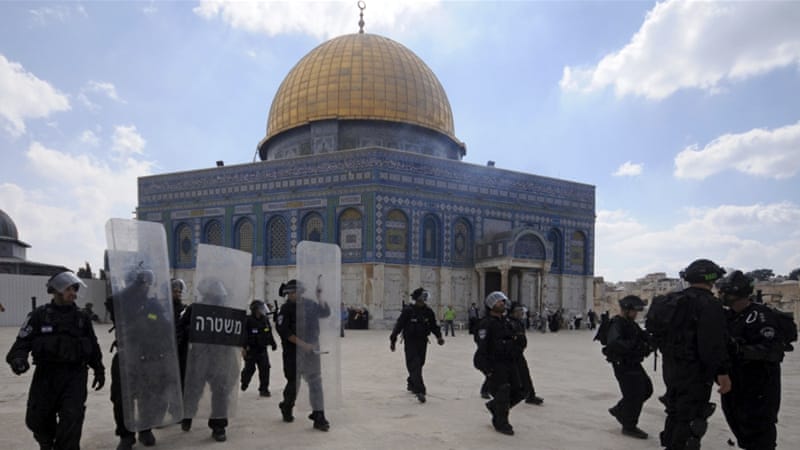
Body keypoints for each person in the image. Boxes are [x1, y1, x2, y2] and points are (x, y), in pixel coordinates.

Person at [6, 270, 105, 450]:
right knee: (37, 418)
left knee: (72, 417)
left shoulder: (82, 318)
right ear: (55, 290)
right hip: (46, 375)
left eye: (75, 289)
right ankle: (46, 443)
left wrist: (99, 370)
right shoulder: (38, 316)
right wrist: (19, 359)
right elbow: (22, 342)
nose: (73, 293)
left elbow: (93, 345)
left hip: (74, 376)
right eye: (68, 289)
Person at [648, 258, 731, 450]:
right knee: (692, 417)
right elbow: (711, 344)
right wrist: (722, 372)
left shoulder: (671, 301)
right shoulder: (709, 304)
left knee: (675, 411)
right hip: (695, 371)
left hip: (671, 366)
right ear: (712, 279)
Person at [718, 270, 792, 450]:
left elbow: (773, 350)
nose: (722, 296)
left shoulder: (761, 315)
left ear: (736, 293)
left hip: (759, 384)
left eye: (726, 292)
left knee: (759, 432)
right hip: (735, 382)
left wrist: (741, 350)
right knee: (739, 425)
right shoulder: (729, 317)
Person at [108, 268, 179, 450]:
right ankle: (126, 436)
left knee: (149, 397)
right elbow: (111, 302)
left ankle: (145, 429)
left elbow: (166, 327)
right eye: (141, 283)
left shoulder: (153, 306)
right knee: (123, 400)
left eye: (147, 283)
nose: (145, 287)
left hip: (149, 358)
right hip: (127, 357)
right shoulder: (121, 304)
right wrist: (134, 287)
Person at [276, 279, 332, 431]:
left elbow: (325, 313)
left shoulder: (309, 304)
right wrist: (303, 345)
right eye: (290, 293)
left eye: (295, 292)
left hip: (311, 350)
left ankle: (319, 415)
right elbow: (285, 332)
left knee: (315, 382)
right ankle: (286, 406)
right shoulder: (285, 309)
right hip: (293, 352)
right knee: (294, 383)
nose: (292, 295)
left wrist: (319, 297)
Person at [474, 291, 524, 435]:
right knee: (503, 391)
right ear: (491, 305)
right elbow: (482, 346)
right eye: (499, 301)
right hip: (495, 362)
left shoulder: (506, 322)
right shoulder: (485, 324)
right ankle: (501, 422)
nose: (502, 303)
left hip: (510, 361)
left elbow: (514, 339)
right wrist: (487, 369)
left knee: (519, 391)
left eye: (503, 301)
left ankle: (494, 406)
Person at [604, 295, 653, 440]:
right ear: (626, 310)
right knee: (635, 394)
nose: (636, 314)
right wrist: (637, 347)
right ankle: (629, 426)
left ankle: (620, 409)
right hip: (623, 364)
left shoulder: (630, 323)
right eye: (634, 311)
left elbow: (642, 336)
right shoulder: (617, 323)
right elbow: (615, 343)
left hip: (633, 363)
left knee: (646, 389)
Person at [389, 287, 445, 403]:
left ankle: (411, 382)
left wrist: (439, 337)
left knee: (420, 363)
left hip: (423, 341)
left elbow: (434, 325)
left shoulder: (428, 311)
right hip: (410, 341)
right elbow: (399, 325)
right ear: (418, 297)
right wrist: (393, 339)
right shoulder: (408, 311)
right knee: (414, 364)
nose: (425, 298)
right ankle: (420, 391)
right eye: (423, 295)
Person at [509, 302, 544, 406]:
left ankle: (530, 395)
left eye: (522, 311)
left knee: (525, 374)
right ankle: (486, 389)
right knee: (503, 374)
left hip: (519, 353)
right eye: (519, 311)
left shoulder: (519, 322)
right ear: (513, 312)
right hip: (511, 353)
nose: (521, 313)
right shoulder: (508, 323)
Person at [241, 300, 278, 397]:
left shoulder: (264, 320)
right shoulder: (248, 320)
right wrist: (244, 348)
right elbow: (244, 335)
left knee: (265, 368)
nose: (262, 310)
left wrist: (273, 343)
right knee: (249, 369)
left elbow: (268, 332)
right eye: (260, 308)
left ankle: (264, 389)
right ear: (255, 309)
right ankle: (244, 382)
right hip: (251, 349)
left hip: (262, 349)